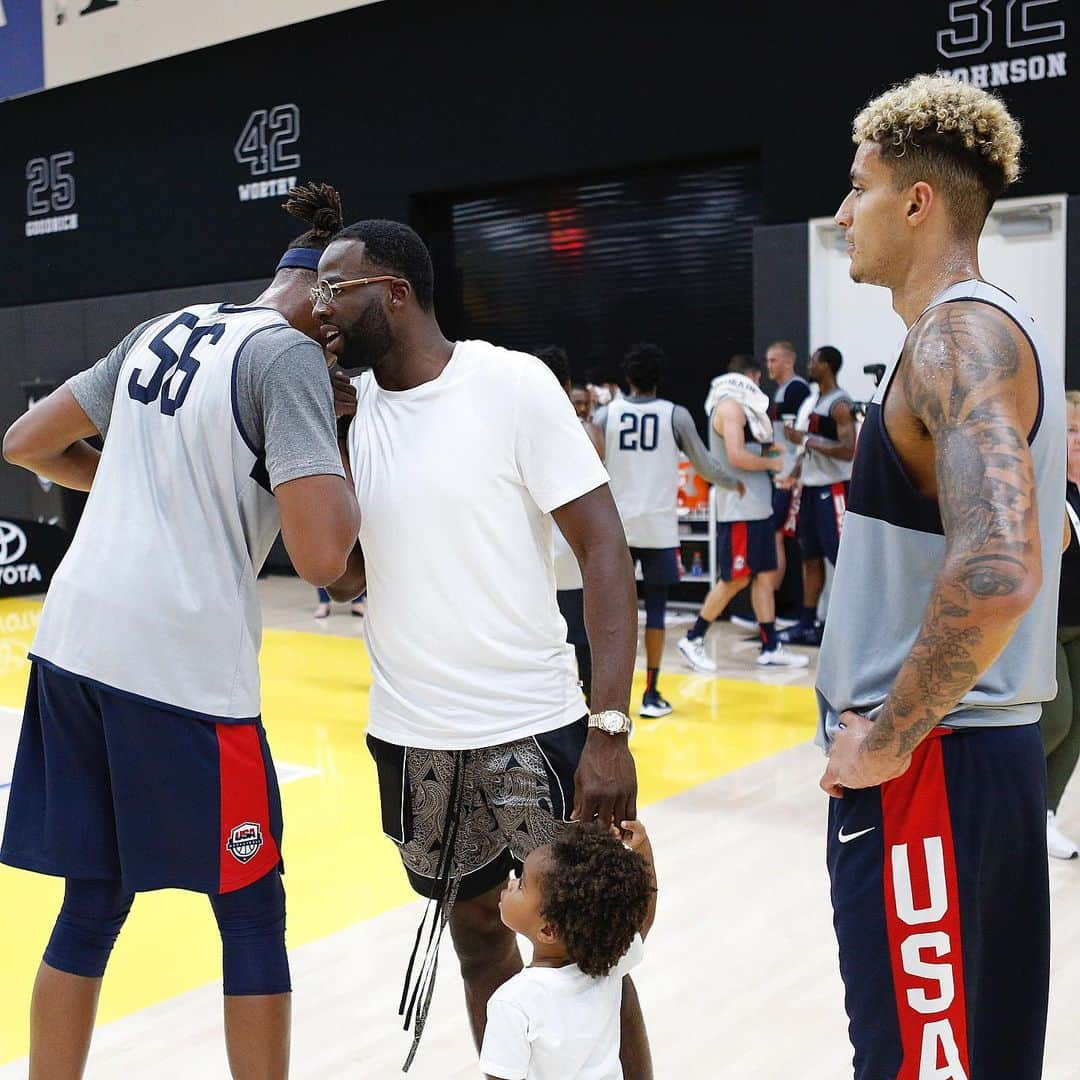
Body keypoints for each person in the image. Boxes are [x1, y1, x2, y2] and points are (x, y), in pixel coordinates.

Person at [0, 183, 362, 1079]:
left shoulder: (170, 324)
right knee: (250, 907)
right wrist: (335, 444)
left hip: (72, 642)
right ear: (327, 307)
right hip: (179, 665)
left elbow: (27, 443)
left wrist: (143, 479)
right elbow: (323, 558)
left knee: (94, 899)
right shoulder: (291, 361)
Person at [315, 221, 650, 1075]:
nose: (318, 309)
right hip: (415, 737)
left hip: (532, 725)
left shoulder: (509, 384)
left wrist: (609, 726)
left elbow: (604, 551)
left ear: (393, 292)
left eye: (333, 289)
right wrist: (328, 452)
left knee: (589, 951)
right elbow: (348, 577)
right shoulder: (347, 418)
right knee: (476, 944)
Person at [817, 75, 1061, 1080]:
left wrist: (890, 735)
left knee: (926, 1065)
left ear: (917, 203)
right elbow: (1052, 526)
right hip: (975, 765)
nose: (840, 213)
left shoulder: (958, 334)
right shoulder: (992, 327)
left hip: (936, 771)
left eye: (858, 187)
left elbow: (1001, 565)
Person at [597, 343, 743, 716]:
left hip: (617, 529)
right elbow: (706, 466)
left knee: (613, 616)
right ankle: (651, 693)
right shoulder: (674, 415)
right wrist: (733, 482)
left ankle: (608, 700)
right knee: (657, 614)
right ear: (659, 378)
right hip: (658, 528)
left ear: (627, 378)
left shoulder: (605, 415)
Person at [479, 820, 657, 1080]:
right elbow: (643, 919)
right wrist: (642, 849)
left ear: (548, 930)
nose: (511, 882)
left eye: (522, 884)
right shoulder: (605, 969)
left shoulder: (513, 1003)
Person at [677, 354, 808, 671]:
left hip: (756, 506)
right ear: (751, 377)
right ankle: (693, 638)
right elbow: (734, 456)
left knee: (764, 577)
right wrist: (772, 463)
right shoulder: (730, 407)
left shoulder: (741, 409)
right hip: (740, 509)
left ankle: (770, 646)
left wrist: (768, 450)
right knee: (735, 580)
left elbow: (743, 447)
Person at [536, 345, 605, 704]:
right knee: (582, 641)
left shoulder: (515, 426)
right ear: (564, 385)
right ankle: (595, 712)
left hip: (537, 555)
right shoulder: (586, 431)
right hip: (572, 553)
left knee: (551, 643)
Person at [778, 346, 855, 646]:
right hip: (810, 488)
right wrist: (796, 470)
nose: (809, 364)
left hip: (833, 488)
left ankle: (850, 626)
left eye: (813, 360)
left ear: (826, 365)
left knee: (840, 558)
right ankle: (808, 621)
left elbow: (849, 450)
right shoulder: (815, 402)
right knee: (809, 558)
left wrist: (806, 439)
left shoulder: (840, 404)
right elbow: (809, 447)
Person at [1041, 389, 1080, 859]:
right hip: (1044, 626)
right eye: (1071, 432)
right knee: (1056, 720)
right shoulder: (1046, 486)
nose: (1078, 441)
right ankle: (1018, 808)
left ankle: (1044, 815)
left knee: (1077, 726)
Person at [765, 340, 812, 592]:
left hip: (792, 478)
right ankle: (770, 607)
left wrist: (794, 472)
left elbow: (800, 436)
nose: (768, 365)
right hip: (781, 475)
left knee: (786, 539)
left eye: (773, 360)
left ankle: (773, 606)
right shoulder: (782, 390)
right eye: (768, 360)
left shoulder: (796, 390)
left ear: (788, 361)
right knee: (777, 536)